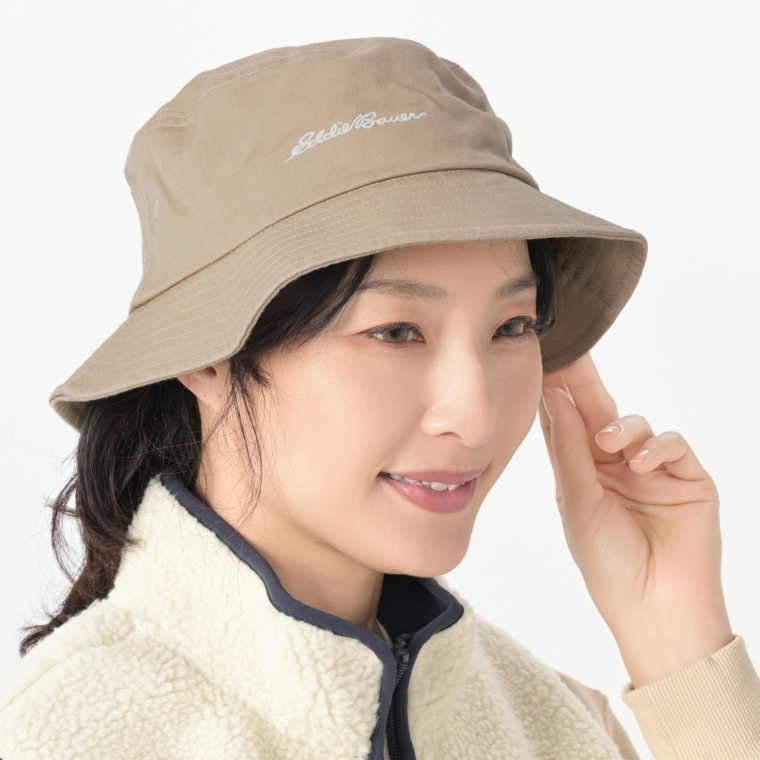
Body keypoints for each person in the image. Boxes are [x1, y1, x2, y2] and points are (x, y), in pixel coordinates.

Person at [0, 37, 757, 760]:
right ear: (206, 356)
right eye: (396, 332)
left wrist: (677, 641)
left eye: (512, 326)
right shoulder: (64, 740)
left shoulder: (556, 727)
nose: (475, 415)